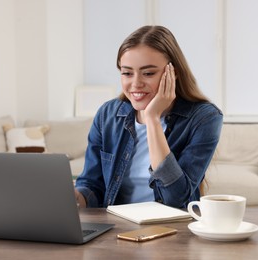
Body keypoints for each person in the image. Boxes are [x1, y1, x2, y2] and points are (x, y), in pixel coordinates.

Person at [74, 25, 223, 209]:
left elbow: (177, 200)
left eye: (148, 73)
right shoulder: (108, 115)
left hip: (172, 229)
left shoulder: (204, 118)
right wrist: (75, 197)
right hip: (116, 227)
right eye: (127, 73)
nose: (136, 84)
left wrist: (152, 118)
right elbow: (92, 185)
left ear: (173, 73)